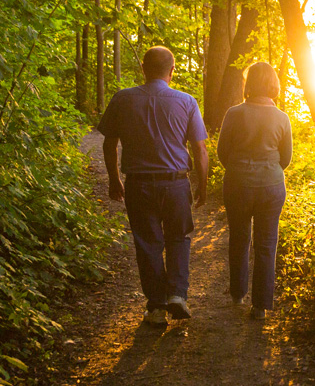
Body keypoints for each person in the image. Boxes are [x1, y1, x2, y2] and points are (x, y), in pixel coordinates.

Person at [99, 46, 208, 327]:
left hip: (139, 185)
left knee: (147, 244)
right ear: (172, 71)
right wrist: (203, 184)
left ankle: (157, 306)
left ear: (143, 69)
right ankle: (177, 295)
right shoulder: (187, 101)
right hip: (175, 184)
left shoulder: (122, 99)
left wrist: (114, 178)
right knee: (178, 238)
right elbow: (199, 148)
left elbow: (109, 143)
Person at [216, 62, 292, 321]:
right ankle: (260, 306)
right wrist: (267, 170)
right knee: (266, 244)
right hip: (271, 186)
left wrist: (240, 169)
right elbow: (287, 159)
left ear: (249, 84)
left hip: (238, 183)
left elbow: (221, 152)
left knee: (239, 239)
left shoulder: (234, 113)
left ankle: (238, 294)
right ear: (273, 84)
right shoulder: (282, 118)